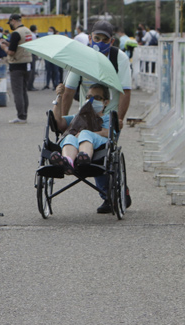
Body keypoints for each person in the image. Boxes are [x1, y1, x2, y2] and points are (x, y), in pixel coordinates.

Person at [61, 21, 132, 213]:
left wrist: (120, 118)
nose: (99, 42)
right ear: (90, 38)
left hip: (110, 115)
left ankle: (109, 195)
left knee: (103, 155)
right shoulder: (81, 59)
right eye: (96, 38)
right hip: (87, 116)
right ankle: (109, 191)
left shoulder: (120, 59)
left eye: (104, 39)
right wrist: (62, 118)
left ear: (112, 41)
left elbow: (126, 91)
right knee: (83, 146)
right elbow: (69, 91)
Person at [50, 83, 111, 174]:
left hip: (99, 146)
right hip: (76, 146)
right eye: (89, 97)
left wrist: (86, 133)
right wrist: (59, 96)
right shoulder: (79, 117)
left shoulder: (107, 118)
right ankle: (67, 161)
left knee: (85, 133)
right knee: (70, 137)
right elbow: (58, 122)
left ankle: (84, 159)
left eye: (97, 97)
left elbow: (109, 132)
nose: (91, 100)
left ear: (106, 102)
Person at [0, 13, 33, 124]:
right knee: (24, 91)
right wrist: (10, 43)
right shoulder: (28, 31)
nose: (10, 25)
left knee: (17, 92)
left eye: (10, 23)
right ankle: (24, 115)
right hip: (27, 63)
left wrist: (4, 47)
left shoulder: (16, 33)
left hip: (17, 65)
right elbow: (20, 45)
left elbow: (12, 52)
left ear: (13, 20)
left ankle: (21, 116)